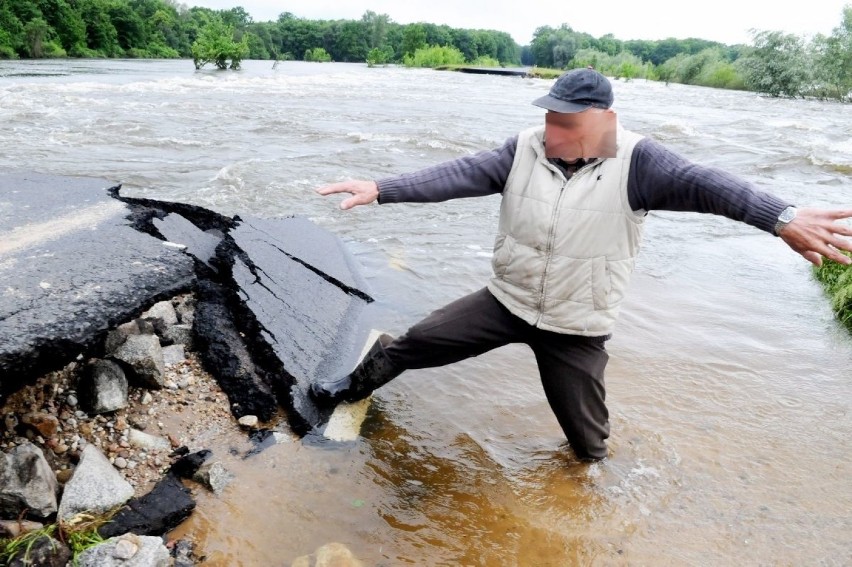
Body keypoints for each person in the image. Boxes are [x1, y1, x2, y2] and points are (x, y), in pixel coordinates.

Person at [310, 68, 852, 461]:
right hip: (507, 302)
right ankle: (345, 389)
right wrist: (382, 188)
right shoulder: (523, 148)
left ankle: (583, 497)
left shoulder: (642, 163)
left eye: (567, 121)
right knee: (414, 343)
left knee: (588, 447)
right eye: (549, 116)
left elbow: (710, 186)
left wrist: (780, 217)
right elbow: (458, 174)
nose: (553, 130)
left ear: (604, 120)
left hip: (576, 327)